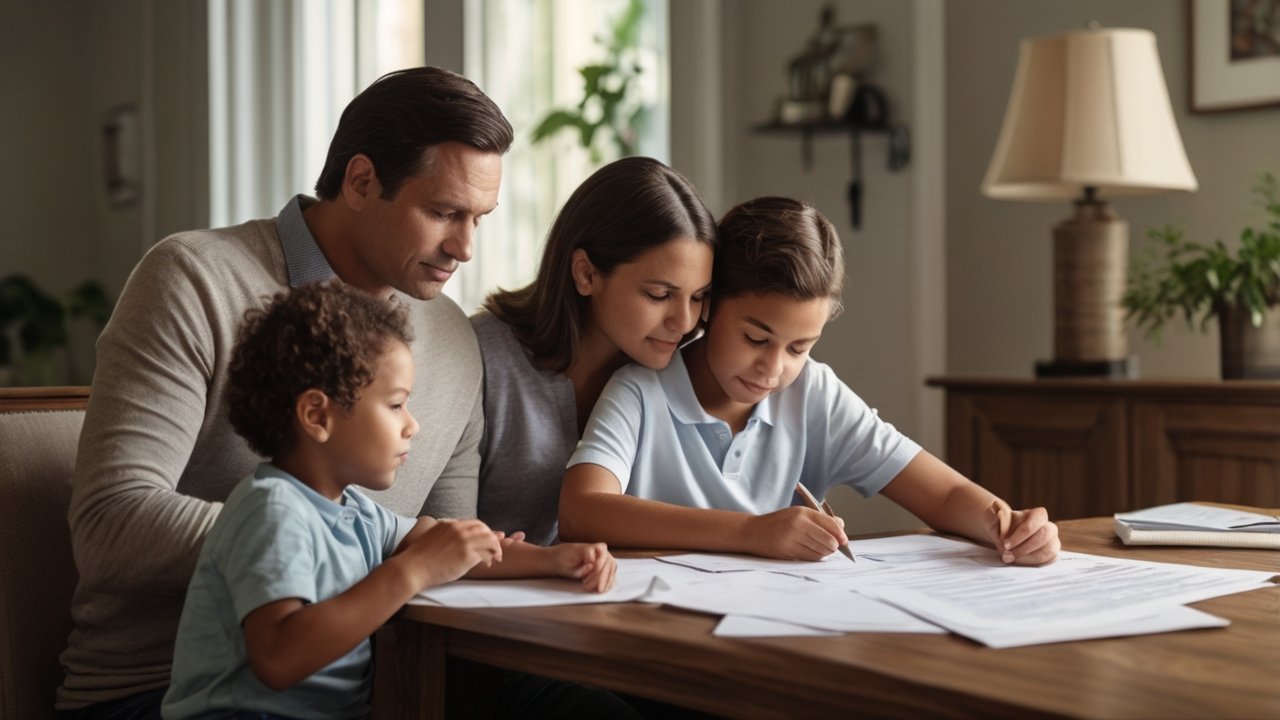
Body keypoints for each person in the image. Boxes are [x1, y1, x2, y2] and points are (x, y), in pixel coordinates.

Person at [59, 67, 635, 720]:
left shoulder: (449, 338)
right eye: (444, 212)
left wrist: (547, 561)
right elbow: (110, 527)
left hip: (380, 670)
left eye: (479, 218)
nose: (465, 248)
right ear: (361, 181)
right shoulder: (195, 280)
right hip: (164, 686)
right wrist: (332, 552)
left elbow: (439, 549)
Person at [160, 282, 615, 719]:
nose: (412, 425)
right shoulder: (272, 510)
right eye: (396, 405)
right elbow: (279, 658)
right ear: (317, 415)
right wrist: (412, 570)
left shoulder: (355, 511)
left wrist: (554, 561)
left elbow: (452, 546)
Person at [559, 196, 1061, 565]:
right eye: (756, 339)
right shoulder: (641, 389)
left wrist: (1010, 524)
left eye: (800, 348)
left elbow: (944, 496)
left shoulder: (813, 392)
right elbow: (583, 510)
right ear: (709, 305)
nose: (774, 369)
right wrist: (751, 532)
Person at [472, 156, 717, 546]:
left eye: (699, 297)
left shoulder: (676, 369)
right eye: (660, 294)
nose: (684, 321)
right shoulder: (484, 361)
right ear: (586, 274)